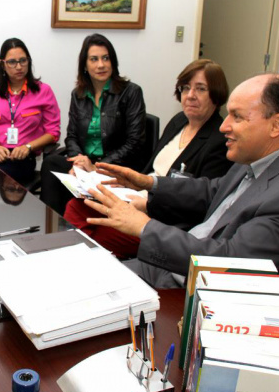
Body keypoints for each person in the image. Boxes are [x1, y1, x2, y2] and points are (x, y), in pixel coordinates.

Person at [83, 73, 279, 289]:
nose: (223, 126)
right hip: (173, 268)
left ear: (277, 125)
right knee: (81, 275)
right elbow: (212, 191)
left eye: (237, 117)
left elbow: (229, 261)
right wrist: (148, 183)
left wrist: (143, 226)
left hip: (191, 294)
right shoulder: (257, 159)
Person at [64, 59, 233, 257]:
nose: (191, 96)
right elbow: (152, 171)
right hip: (137, 198)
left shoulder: (219, 141)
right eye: (185, 88)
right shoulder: (179, 121)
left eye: (201, 89)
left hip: (162, 222)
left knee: (95, 233)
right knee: (77, 206)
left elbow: (201, 205)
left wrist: (146, 205)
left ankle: (78, 258)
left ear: (216, 94)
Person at [40, 33, 146, 215]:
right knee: (51, 163)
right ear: (85, 66)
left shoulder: (131, 92)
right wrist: (78, 163)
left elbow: (135, 142)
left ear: (113, 62)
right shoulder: (78, 94)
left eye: (106, 58)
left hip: (115, 166)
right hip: (86, 164)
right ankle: (52, 222)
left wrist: (97, 167)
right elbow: (71, 136)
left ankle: (75, 224)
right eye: (94, 59)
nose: (101, 65)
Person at [0, 38, 61, 187]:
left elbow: (53, 132)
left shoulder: (43, 91)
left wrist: (28, 147)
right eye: (12, 62)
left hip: (22, 158)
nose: (19, 67)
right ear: (2, 64)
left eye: (23, 61)